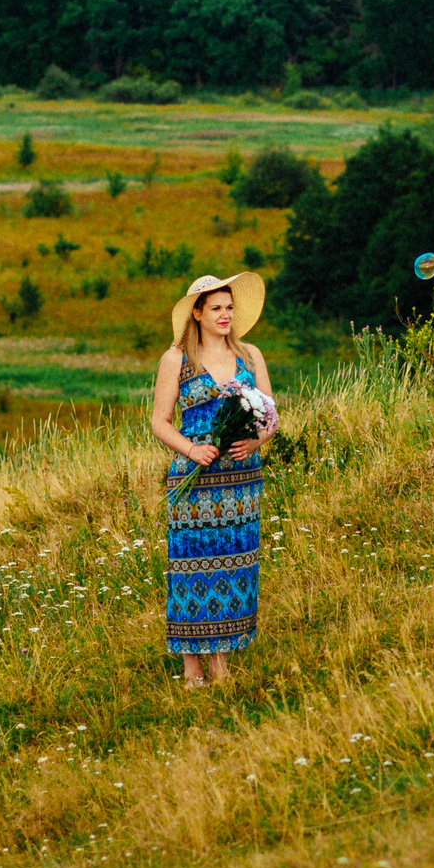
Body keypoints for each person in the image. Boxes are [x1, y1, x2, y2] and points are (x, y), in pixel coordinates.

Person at [147, 273, 271, 685]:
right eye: (216, 308)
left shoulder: (250, 355)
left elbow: (270, 416)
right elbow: (159, 422)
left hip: (240, 481)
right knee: (191, 567)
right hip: (195, 480)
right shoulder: (177, 358)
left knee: (235, 566)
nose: (225, 315)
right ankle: (191, 667)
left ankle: (221, 661)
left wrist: (254, 442)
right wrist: (191, 449)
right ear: (197, 313)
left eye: (230, 307)